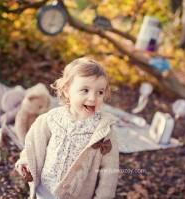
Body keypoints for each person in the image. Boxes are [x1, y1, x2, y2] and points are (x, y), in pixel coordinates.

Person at [15, 57, 119, 199]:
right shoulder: (51, 119)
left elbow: (109, 171)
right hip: (44, 190)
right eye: (85, 90)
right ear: (66, 90)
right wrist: (26, 161)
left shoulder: (104, 131)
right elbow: (32, 145)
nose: (93, 98)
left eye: (100, 92)